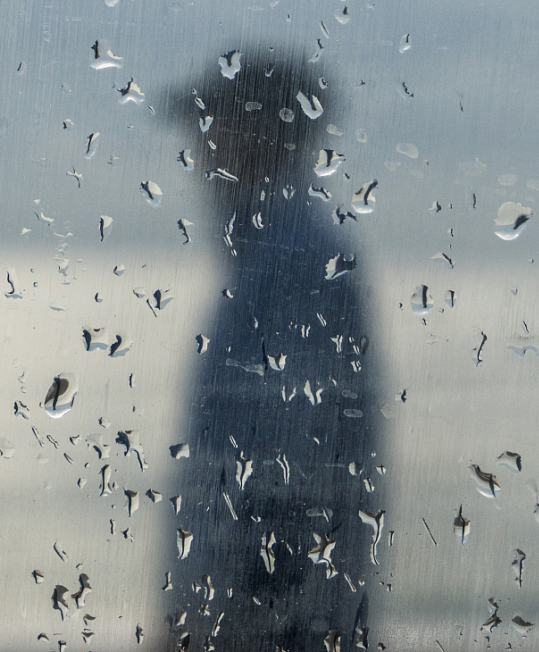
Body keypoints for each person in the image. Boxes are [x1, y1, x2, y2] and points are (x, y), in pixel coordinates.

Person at [162, 48, 378, 651]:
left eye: (212, 127)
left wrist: (194, 628)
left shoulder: (292, 267)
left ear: (262, 135)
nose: (199, 153)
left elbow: (279, 496)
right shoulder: (274, 260)